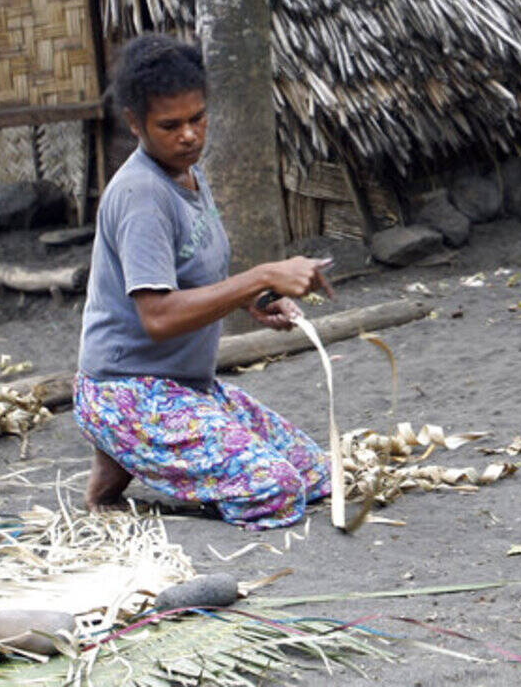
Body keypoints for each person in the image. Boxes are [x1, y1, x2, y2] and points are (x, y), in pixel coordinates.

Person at [74, 33, 335, 530]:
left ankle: (126, 465)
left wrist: (253, 301)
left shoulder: (187, 171)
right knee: (274, 490)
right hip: (130, 391)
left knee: (316, 475)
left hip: (186, 388)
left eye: (198, 118)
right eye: (170, 125)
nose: (190, 135)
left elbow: (191, 277)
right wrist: (260, 274)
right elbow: (157, 316)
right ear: (134, 123)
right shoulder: (142, 195)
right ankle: (131, 455)